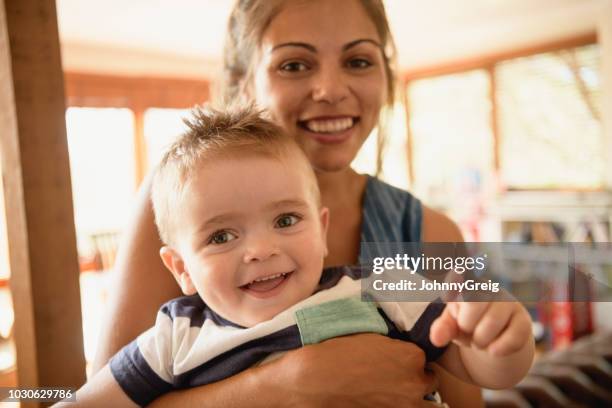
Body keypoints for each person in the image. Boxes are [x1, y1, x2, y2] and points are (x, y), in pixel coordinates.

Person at [92, 0, 518, 406]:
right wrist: (280, 390)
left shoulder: (432, 235)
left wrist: (501, 332)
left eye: (358, 61)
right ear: (244, 83)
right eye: (294, 65)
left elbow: (476, 376)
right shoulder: (178, 208)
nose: (331, 89)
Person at [67, 107, 533, 408]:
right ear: (182, 268)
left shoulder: (385, 286)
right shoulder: (176, 338)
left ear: (323, 229)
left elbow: (482, 370)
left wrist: (502, 340)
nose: (261, 250)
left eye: (286, 221)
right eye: (223, 235)